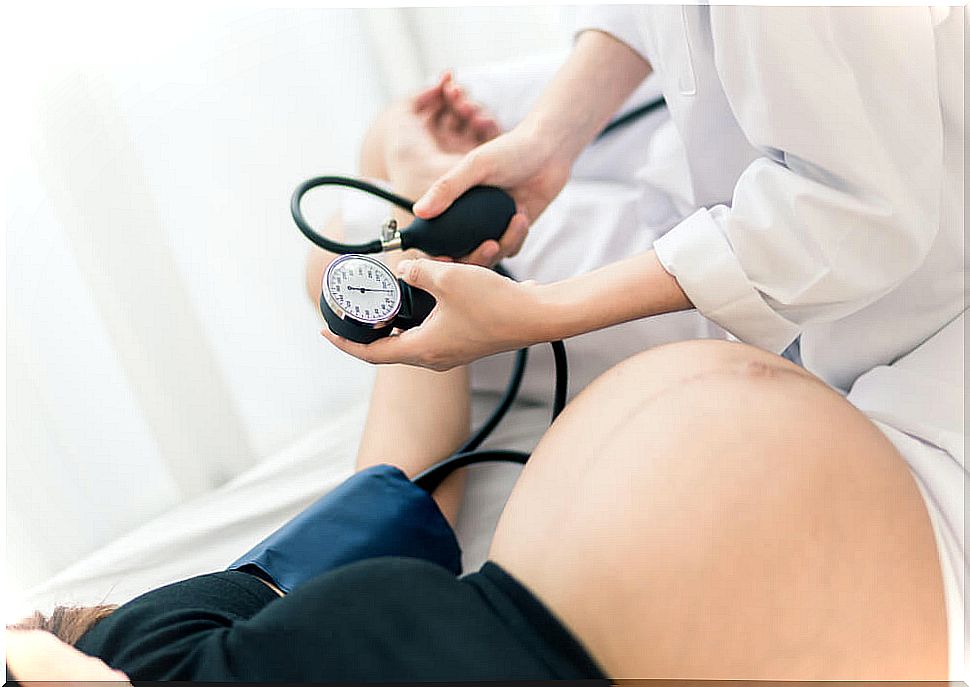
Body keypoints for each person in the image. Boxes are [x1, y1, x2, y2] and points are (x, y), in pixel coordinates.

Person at [7, 58, 953, 680]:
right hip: (862, 496)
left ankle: (400, 187)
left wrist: (414, 212)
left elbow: (390, 494)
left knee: (355, 251)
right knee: (361, 244)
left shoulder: (180, 652)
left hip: (779, 430)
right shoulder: (165, 653)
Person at [321, 6, 967, 677]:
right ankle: (374, 559)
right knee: (398, 137)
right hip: (709, 140)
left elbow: (854, 217)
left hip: (853, 261)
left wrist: (540, 312)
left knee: (369, 216)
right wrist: (549, 139)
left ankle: (372, 557)